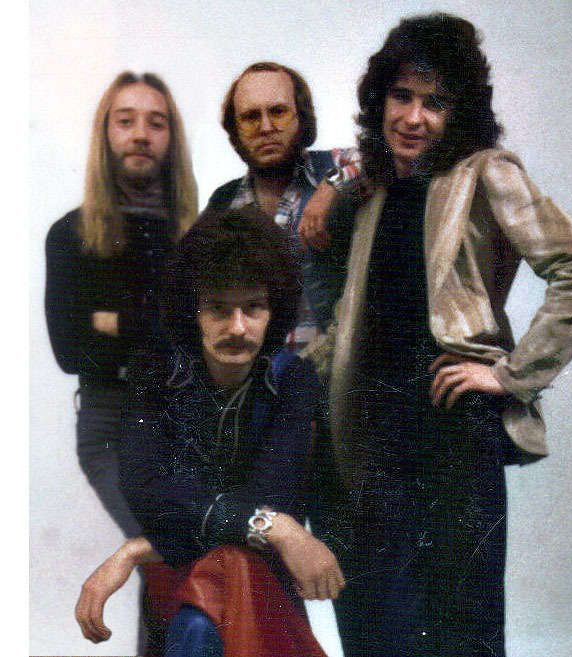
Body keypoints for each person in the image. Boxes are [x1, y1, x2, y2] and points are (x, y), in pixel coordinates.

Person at [305, 13, 572, 657]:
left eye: (435, 102)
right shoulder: (375, 191)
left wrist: (510, 375)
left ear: (461, 112)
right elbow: (358, 315)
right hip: (372, 437)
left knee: (461, 631)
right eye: (401, 96)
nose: (413, 118)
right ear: (379, 100)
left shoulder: (484, 172)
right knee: (377, 628)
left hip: (451, 432)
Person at [74, 207, 345, 657]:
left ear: (273, 312)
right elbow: (147, 490)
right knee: (207, 600)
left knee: (212, 600)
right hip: (182, 572)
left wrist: (135, 550)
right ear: (192, 312)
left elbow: (271, 495)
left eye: (253, 307)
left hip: (254, 580)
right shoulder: (155, 373)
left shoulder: (293, 381)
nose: (237, 327)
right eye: (218, 308)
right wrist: (275, 527)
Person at [45, 71, 197, 654]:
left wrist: (112, 319)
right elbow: (69, 350)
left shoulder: (195, 235)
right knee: (170, 550)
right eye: (125, 120)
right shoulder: (71, 234)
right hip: (111, 424)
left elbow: (198, 337)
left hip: (185, 422)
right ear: (105, 134)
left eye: (156, 123)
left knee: (174, 563)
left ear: (171, 138)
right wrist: (156, 323)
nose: (140, 134)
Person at [206, 61, 361, 348]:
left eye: (278, 112)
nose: (266, 127)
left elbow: (379, 156)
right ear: (235, 129)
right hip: (257, 371)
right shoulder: (224, 202)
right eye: (251, 117)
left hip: (328, 368)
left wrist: (330, 187)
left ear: (301, 117)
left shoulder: (331, 167)